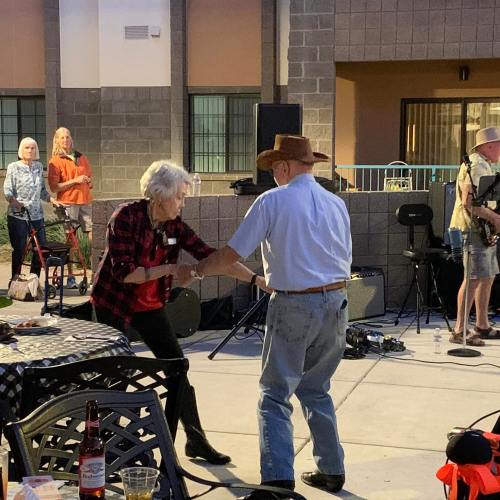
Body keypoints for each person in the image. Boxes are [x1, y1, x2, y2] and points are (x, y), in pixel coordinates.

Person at [183, 135, 352, 498]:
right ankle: (332, 469)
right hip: (337, 303)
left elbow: (231, 255)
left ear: (285, 167)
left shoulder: (272, 200)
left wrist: (195, 272)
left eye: (276, 168)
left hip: (294, 304)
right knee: (316, 389)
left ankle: (276, 482)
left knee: (274, 394)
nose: (274, 175)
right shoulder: (336, 203)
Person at [90, 160, 263, 465]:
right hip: (114, 303)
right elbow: (123, 273)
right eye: (180, 196)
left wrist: (257, 280)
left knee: (177, 371)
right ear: (159, 195)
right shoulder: (125, 217)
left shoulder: (175, 226)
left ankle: (189, 442)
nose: (184, 202)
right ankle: (109, 449)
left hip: (149, 305)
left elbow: (212, 257)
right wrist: (172, 268)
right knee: (116, 376)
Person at [449, 126, 500, 345]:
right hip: (472, 228)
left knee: (487, 276)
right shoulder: (475, 165)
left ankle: (482, 325)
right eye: (498, 145)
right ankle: (459, 330)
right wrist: (495, 219)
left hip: (482, 228)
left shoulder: (484, 164)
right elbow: (469, 202)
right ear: (488, 146)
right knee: (472, 278)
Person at [3, 137, 59, 282]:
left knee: (41, 249)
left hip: (36, 216)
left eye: (33, 148)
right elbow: (7, 191)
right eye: (27, 148)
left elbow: (42, 191)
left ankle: (33, 280)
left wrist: (52, 200)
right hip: (18, 215)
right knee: (20, 250)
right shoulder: (13, 167)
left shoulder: (38, 167)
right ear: (21, 150)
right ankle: (15, 280)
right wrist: (15, 202)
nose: (30, 150)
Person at [48, 127, 93, 289]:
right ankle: (71, 276)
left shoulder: (81, 157)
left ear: (71, 139)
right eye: (62, 138)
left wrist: (87, 181)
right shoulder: (55, 161)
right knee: (71, 240)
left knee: (94, 235)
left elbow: (89, 179)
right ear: (57, 140)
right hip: (67, 202)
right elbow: (54, 188)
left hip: (85, 201)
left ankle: (96, 273)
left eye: (67, 137)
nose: (65, 140)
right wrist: (75, 181)